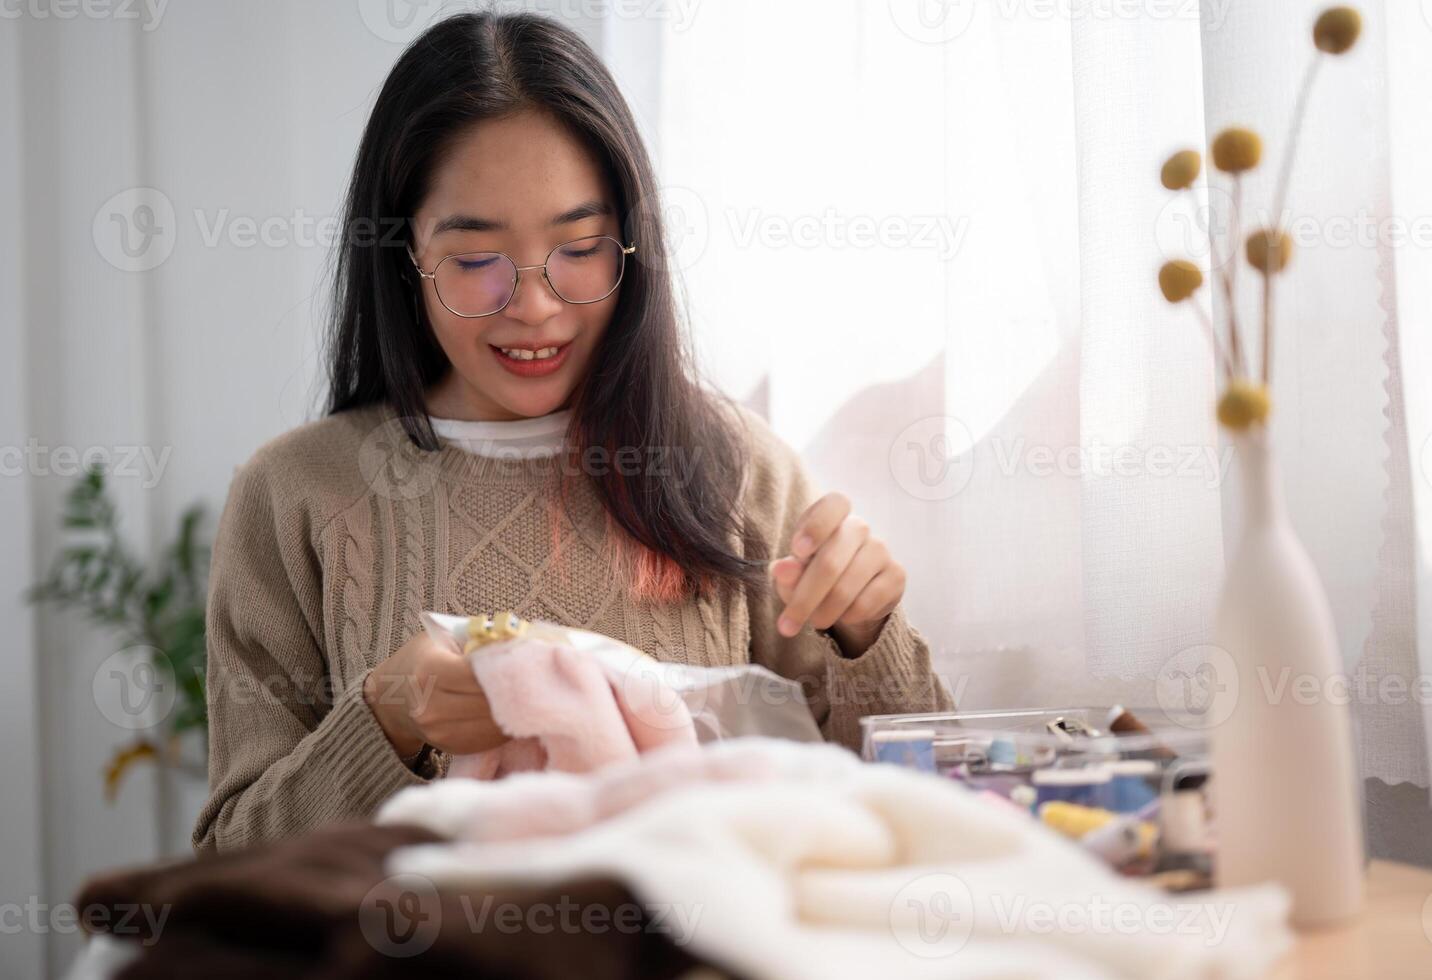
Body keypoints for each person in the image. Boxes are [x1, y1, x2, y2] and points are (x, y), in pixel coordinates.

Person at [194, 10, 952, 853]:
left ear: (630, 242)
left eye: (580, 247)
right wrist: (387, 719)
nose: (535, 307)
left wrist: (865, 636)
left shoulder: (736, 471)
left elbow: (923, 817)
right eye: (476, 259)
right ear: (402, 251)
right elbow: (235, 858)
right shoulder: (296, 495)